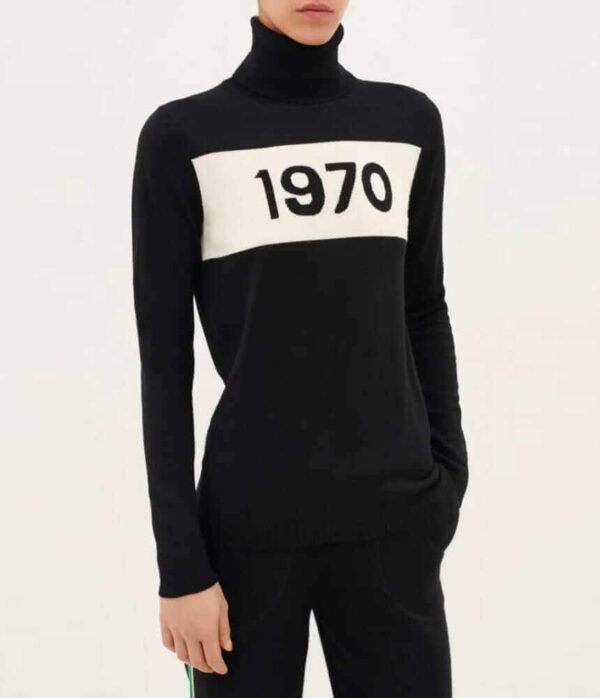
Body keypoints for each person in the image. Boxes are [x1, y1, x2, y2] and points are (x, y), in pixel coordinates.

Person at [131, 1, 469, 695]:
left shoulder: (406, 123)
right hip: (244, 537)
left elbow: (422, 309)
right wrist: (181, 566)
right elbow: (164, 363)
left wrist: (448, 477)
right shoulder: (183, 137)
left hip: (396, 523)